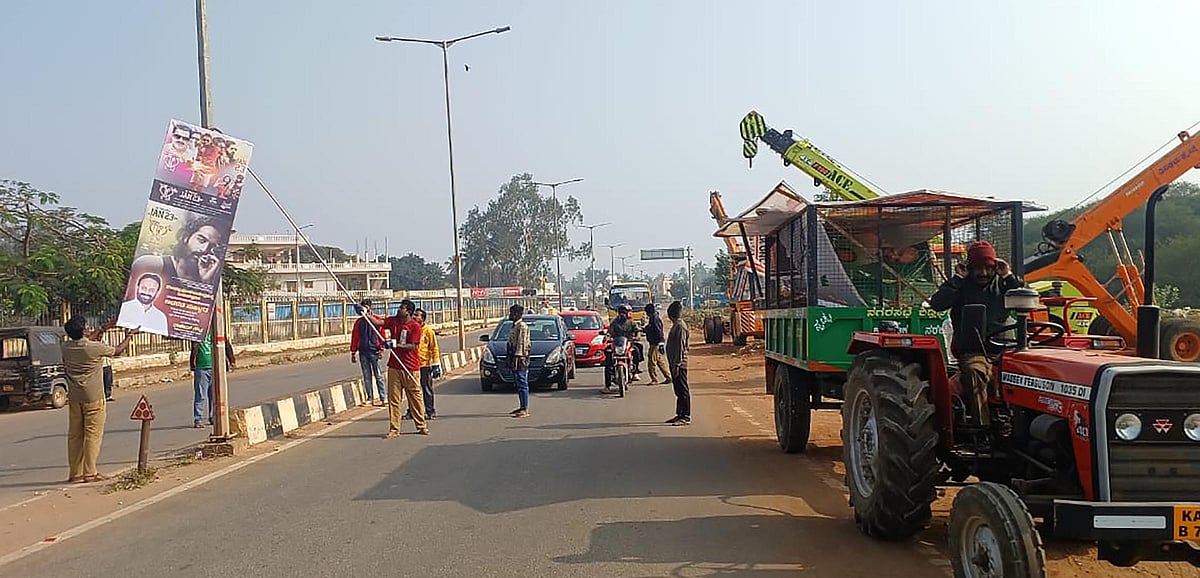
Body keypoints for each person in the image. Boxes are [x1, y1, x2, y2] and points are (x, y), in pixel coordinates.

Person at [928, 241, 1025, 427]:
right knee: (975, 371)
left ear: (995, 267)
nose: (983, 273)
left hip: (1007, 349)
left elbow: (1025, 298)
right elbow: (937, 304)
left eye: (988, 268)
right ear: (968, 267)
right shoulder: (961, 286)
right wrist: (957, 278)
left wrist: (1008, 275)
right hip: (975, 350)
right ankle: (983, 428)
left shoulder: (1005, 285)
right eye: (977, 268)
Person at [61, 317, 136, 483]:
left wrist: (103, 328)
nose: (89, 328)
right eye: (87, 327)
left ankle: (75, 473)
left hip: (74, 396)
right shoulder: (92, 348)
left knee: (75, 435)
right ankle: (90, 472)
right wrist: (130, 336)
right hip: (93, 396)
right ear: (83, 330)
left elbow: (88, 342)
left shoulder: (66, 347)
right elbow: (117, 351)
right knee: (93, 435)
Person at [366, 299, 428, 437]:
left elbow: (413, 346)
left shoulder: (414, 326)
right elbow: (378, 322)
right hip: (394, 367)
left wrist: (395, 345)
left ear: (409, 312)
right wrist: (365, 314)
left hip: (411, 367)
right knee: (394, 399)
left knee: (415, 397)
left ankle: (421, 425)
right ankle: (394, 429)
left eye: (402, 308)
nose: (399, 309)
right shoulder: (393, 321)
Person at [130, 214, 227, 287]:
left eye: (212, 247)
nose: (204, 249)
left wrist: (205, 282)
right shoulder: (152, 264)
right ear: (185, 237)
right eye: (201, 240)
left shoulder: (208, 278)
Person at [190, 331, 236, 428]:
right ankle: (198, 419)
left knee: (214, 395)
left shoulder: (218, 332)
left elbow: (226, 346)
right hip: (201, 369)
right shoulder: (197, 335)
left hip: (216, 367)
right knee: (201, 395)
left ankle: (212, 417)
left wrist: (231, 360)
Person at [349, 299, 386, 406]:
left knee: (378, 375)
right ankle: (370, 398)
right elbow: (355, 337)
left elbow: (382, 335)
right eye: (363, 306)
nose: (365, 308)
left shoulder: (377, 320)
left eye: (367, 306)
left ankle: (383, 397)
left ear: (370, 307)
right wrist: (353, 352)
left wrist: (381, 349)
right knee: (367, 375)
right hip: (363, 352)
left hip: (375, 351)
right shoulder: (359, 323)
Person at [604, 304, 643, 391]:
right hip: (616, 344)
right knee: (607, 359)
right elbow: (609, 332)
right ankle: (607, 385)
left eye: (624, 313)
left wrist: (637, 336)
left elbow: (637, 331)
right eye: (620, 313)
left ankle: (635, 371)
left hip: (628, 343)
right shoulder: (614, 322)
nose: (622, 315)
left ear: (627, 314)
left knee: (636, 351)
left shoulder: (631, 322)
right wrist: (606, 337)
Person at [665, 301, 691, 426]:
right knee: (678, 390)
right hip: (674, 362)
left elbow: (680, 347)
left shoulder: (680, 327)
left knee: (683, 389)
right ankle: (680, 413)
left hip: (679, 364)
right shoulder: (676, 325)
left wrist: (677, 364)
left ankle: (686, 416)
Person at [415, 308, 441, 420]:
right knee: (413, 390)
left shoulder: (428, 331)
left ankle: (430, 410)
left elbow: (434, 348)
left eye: (417, 315)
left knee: (426, 388)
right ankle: (412, 411)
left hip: (424, 365)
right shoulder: (411, 329)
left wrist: (435, 363)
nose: (414, 317)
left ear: (423, 318)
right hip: (413, 365)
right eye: (414, 315)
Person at [506, 304, 531, 418]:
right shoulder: (514, 326)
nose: (510, 315)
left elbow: (521, 344)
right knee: (518, 383)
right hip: (514, 356)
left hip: (520, 358)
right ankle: (521, 406)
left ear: (516, 314)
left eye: (511, 313)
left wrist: (517, 358)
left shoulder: (522, 326)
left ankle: (524, 408)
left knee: (522, 383)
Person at [642, 303, 671, 385]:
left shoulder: (654, 318)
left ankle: (654, 379)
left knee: (651, 361)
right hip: (656, 342)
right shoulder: (653, 318)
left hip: (655, 343)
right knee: (659, 361)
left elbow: (658, 331)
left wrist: (661, 342)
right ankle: (668, 377)